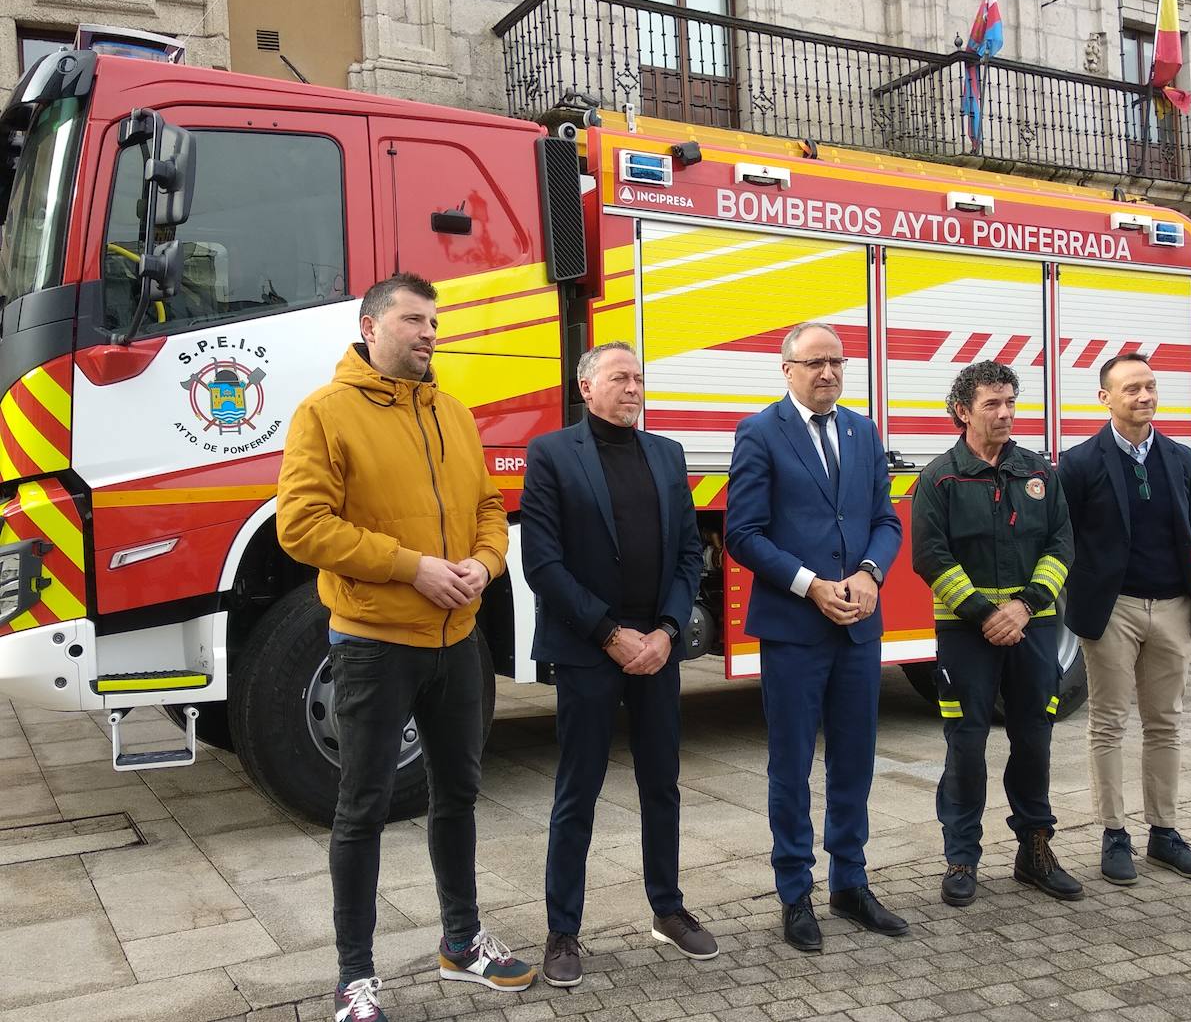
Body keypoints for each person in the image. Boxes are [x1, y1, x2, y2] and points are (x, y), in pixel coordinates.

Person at [277, 273, 535, 1022]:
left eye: (434, 320)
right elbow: (302, 525)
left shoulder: (451, 411)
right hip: (372, 644)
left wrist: (483, 565)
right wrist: (412, 566)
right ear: (369, 327)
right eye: (414, 319)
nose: (429, 331)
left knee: (457, 794)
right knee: (360, 808)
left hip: (457, 641)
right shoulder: (325, 413)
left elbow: (489, 506)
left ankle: (462, 942)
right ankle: (355, 978)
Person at [520, 341, 715, 988]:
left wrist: (664, 630)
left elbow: (691, 555)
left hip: (656, 650)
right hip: (588, 650)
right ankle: (563, 929)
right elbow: (542, 563)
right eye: (620, 377)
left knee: (662, 783)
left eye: (638, 378)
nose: (633, 388)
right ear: (586, 387)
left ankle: (668, 909)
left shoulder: (667, 454)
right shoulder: (552, 455)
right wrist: (610, 633)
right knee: (578, 789)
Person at [725, 322, 907, 953]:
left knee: (854, 759)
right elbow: (742, 534)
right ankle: (795, 892)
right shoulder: (759, 432)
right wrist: (811, 585)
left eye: (836, 361)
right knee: (792, 764)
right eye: (814, 363)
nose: (827, 372)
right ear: (787, 369)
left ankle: (850, 883)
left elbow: (884, 520)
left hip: (858, 627)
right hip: (796, 629)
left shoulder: (862, 431)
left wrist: (868, 572)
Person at [911, 360, 1081, 908]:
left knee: (1034, 738)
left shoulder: (1039, 473)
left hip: (1033, 627)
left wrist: (1026, 607)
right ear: (963, 411)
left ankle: (1035, 850)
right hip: (966, 633)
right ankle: (962, 858)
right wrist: (986, 612)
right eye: (992, 404)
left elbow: (1062, 545)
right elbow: (929, 556)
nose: (1005, 413)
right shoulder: (939, 478)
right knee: (966, 746)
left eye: (1010, 402)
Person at [1057, 352, 1191, 886]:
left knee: (1165, 723)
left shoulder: (1179, 456)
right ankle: (1113, 835)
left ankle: (1164, 834)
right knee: (1108, 724)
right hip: (1114, 610)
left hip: (1172, 607)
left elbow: (1187, 524)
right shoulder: (1079, 463)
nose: (1144, 396)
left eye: (1150, 386)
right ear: (1105, 398)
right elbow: (1066, 536)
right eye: (1132, 389)